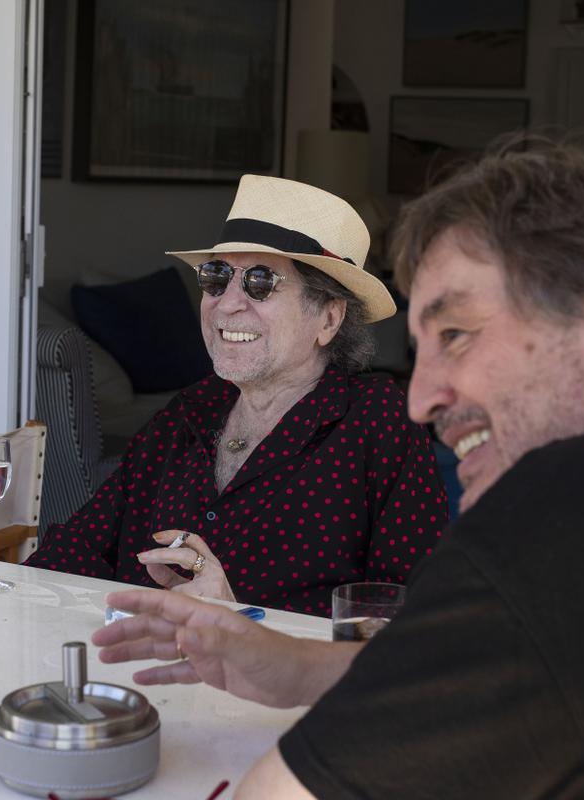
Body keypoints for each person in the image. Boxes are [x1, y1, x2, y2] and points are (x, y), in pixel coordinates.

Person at [92, 142, 584, 797]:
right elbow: (505, 665)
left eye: (457, 334)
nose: (420, 399)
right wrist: (300, 666)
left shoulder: (571, 514)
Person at [26, 175, 447, 615]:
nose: (226, 303)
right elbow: (77, 549)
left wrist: (239, 621)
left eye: (260, 282)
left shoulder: (378, 422)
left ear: (328, 318)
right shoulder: (188, 413)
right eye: (216, 277)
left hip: (277, 684)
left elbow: (406, 619)